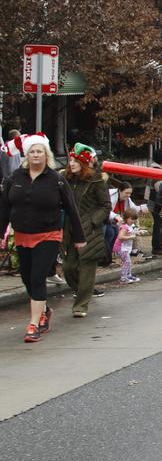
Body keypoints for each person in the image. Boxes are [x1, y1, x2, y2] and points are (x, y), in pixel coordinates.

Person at [0, 134, 86, 342]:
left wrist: (79, 237)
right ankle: (44, 310)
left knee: (38, 277)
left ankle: (33, 323)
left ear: (46, 154)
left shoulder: (56, 180)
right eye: (32, 152)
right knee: (27, 278)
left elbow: (71, 209)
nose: (36, 155)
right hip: (22, 235)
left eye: (39, 151)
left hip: (48, 235)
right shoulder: (15, 178)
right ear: (26, 155)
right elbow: (4, 208)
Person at [62, 143, 112, 318]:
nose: (72, 163)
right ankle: (82, 290)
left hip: (90, 230)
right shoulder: (66, 179)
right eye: (70, 160)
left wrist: (92, 221)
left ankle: (81, 305)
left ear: (83, 163)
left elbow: (106, 206)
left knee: (87, 268)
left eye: (75, 160)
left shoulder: (96, 179)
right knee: (68, 268)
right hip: (70, 229)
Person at [147, 149, 162, 255]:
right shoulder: (157, 171)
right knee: (159, 224)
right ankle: (157, 247)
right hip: (156, 202)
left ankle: (157, 246)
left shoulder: (151, 168)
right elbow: (159, 187)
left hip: (151, 200)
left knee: (158, 223)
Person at [116, 208, 141, 284]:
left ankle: (128, 275)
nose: (133, 221)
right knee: (127, 261)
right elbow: (120, 237)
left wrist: (140, 231)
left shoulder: (132, 225)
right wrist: (131, 237)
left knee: (128, 262)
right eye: (131, 219)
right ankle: (123, 277)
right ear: (126, 218)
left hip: (127, 248)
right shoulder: (124, 227)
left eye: (134, 219)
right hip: (121, 248)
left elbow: (136, 230)